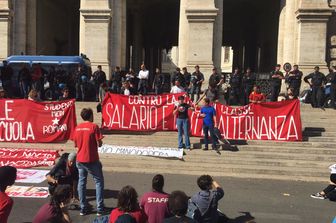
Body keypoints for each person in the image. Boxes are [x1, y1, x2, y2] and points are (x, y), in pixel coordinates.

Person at [72, 108, 105, 216]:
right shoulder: (94, 126)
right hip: (91, 159)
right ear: (91, 116)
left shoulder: (77, 128)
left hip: (80, 159)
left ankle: (83, 208)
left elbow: (76, 145)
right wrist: (99, 143)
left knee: (82, 183)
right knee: (99, 181)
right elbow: (99, 143)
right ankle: (99, 208)